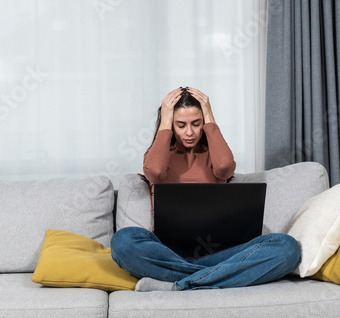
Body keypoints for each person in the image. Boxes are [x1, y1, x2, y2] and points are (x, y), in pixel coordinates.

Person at [111, 87, 301, 291]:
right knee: (123, 241)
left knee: (287, 247)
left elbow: (225, 167)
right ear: (171, 125)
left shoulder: (214, 156)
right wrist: (165, 121)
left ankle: (181, 282)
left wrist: (209, 114)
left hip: (221, 250)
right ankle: (216, 276)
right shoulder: (160, 155)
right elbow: (155, 171)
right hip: (168, 252)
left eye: (196, 123)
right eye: (180, 125)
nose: (190, 132)